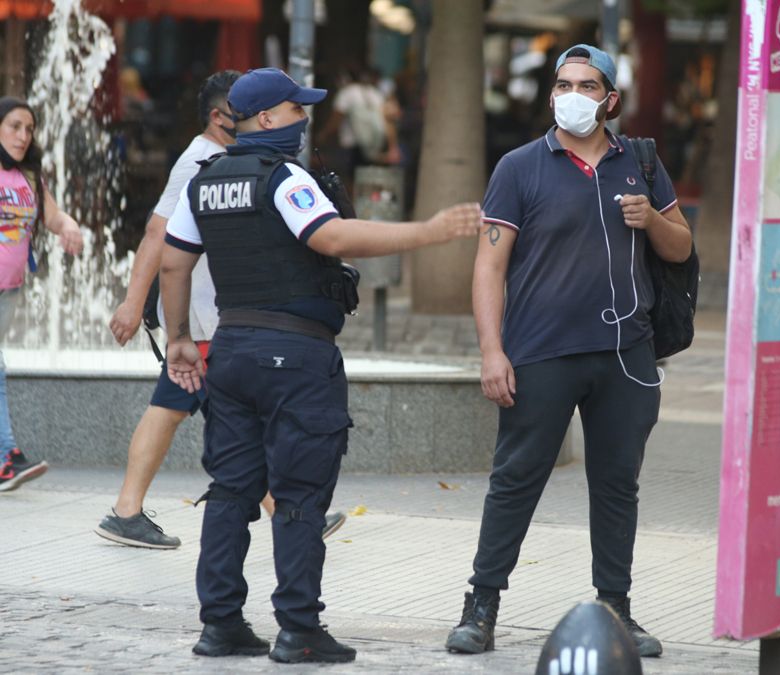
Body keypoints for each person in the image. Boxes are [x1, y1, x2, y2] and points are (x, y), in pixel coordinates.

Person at [159, 67, 483, 663]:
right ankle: (298, 629)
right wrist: (429, 232)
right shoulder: (284, 179)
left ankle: (220, 623)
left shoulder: (205, 183)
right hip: (296, 357)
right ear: (264, 120)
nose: (303, 120)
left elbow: (174, 264)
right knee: (301, 494)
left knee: (231, 491)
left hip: (229, 352)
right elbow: (331, 239)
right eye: (293, 111)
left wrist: (179, 338)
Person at [444, 45, 692, 658]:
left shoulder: (641, 163)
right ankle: (481, 605)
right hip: (542, 353)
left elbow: (682, 248)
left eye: (586, 85)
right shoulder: (520, 166)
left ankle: (616, 612)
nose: (572, 95)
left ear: (610, 99)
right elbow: (489, 264)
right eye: (563, 84)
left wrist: (650, 221)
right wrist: (491, 351)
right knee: (516, 479)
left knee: (617, 486)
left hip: (626, 354)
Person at [96, 71, 347, 549]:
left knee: (197, 408)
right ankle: (128, 509)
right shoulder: (199, 161)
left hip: (218, 314)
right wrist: (132, 304)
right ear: (220, 118)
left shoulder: (231, 159)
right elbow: (157, 233)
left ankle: (134, 509)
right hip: (209, 316)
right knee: (184, 406)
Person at [0, 97, 83, 492]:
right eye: (14, 126)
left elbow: (51, 216)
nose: (22, 135)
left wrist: (68, 226)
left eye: (29, 129)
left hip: (8, 291)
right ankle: (6, 456)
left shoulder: (29, 176)